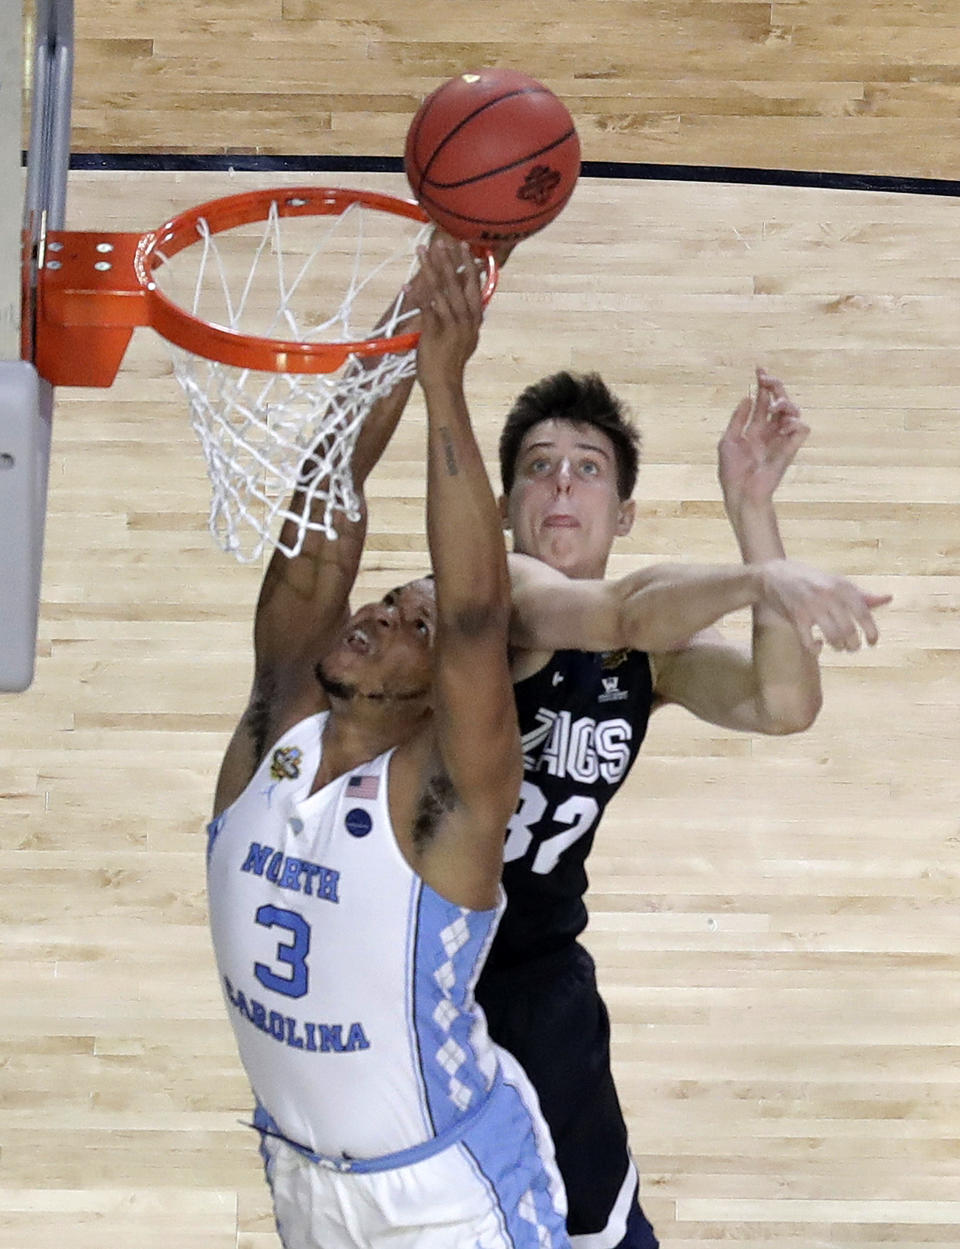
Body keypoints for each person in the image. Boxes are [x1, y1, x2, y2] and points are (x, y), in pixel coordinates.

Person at [473, 366, 891, 1249]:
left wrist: (753, 514)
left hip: (538, 965)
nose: (560, 483)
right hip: (419, 962)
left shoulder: (644, 664)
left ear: (623, 514)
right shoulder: (498, 593)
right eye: (539, 466)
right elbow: (619, 611)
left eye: (588, 468)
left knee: (606, 1234)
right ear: (505, 507)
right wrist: (760, 581)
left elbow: (782, 703)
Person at [206, 237, 571, 1249]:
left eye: (414, 623)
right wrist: (400, 342)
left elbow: (472, 621)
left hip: (444, 1201)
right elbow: (323, 518)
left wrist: (447, 385)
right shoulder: (272, 733)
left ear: (434, 696)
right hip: (301, 1179)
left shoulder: (442, 797)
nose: (380, 613)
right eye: (385, 600)